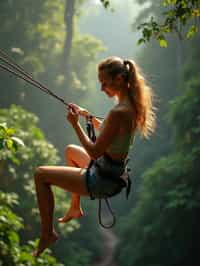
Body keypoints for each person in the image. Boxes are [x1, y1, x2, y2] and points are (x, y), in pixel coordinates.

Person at [32, 56, 156, 257]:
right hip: (108, 169)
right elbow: (110, 132)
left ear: (118, 79)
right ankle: (75, 207)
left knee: (40, 174)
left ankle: (47, 233)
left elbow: (94, 151)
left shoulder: (119, 112)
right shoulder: (129, 105)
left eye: (104, 83)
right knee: (71, 151)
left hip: (101, 179)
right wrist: (87, 116)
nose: (101, 88)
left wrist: (75, 124)